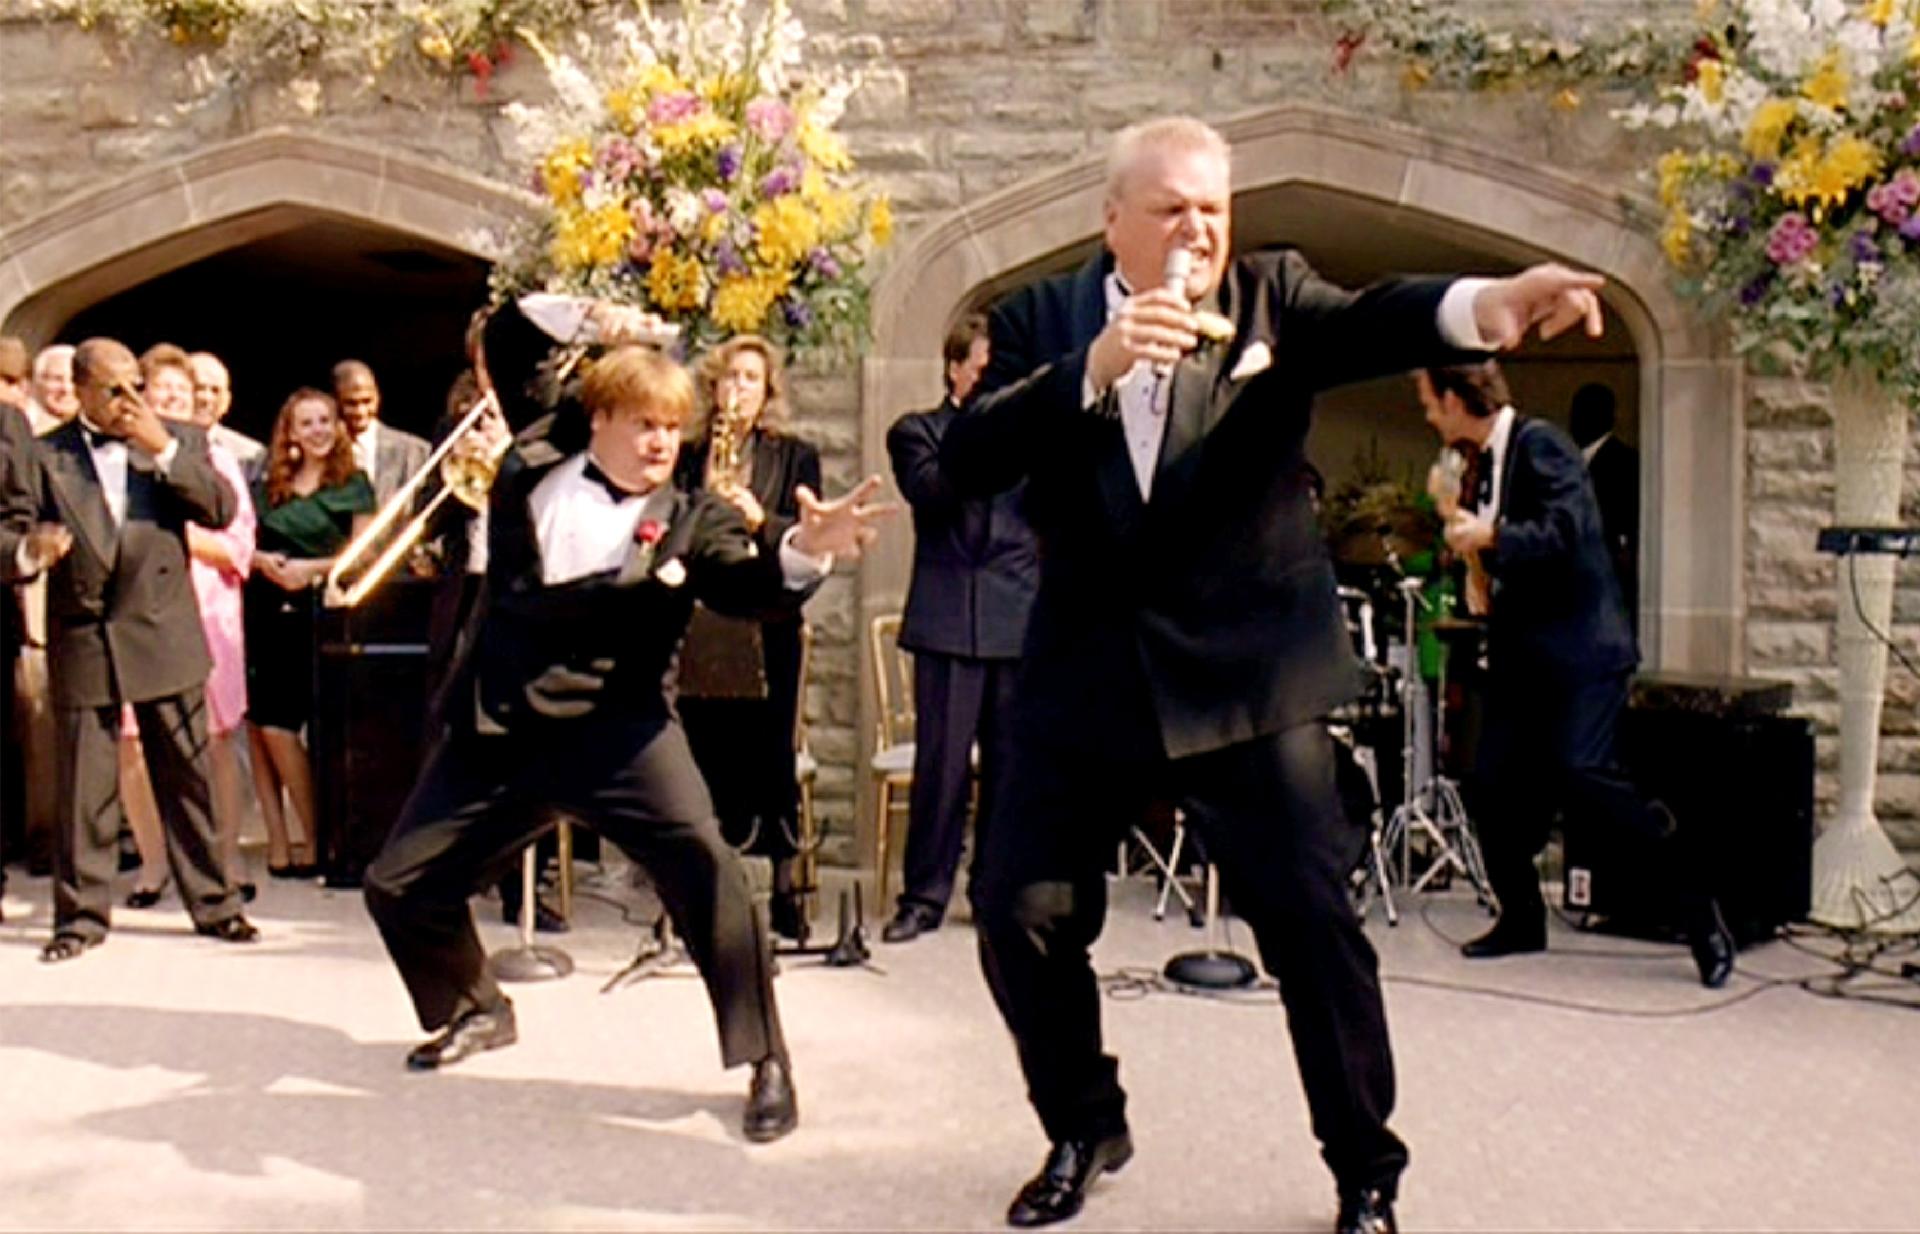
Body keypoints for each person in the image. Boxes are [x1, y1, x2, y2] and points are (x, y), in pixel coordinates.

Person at [937, 116, 1607, 1234]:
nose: (1198, 229)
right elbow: (965, 461)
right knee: (1017, 913)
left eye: (1214, 207)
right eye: (1171, 209)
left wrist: (1482, 305)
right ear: (1114, 220)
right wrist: (1095, 371)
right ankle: (1082, 1123)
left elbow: (1377, 317)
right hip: (1085, 679)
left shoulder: (1274, 299)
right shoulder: (1038, 321)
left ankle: (1365, 1169)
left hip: (1249, 676)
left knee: (1310, 926)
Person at [362, 322, 890, 1145]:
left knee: (715, 878)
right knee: (398, 885)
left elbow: (750, 584)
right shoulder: (526, 473)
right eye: (644, 423)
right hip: (502, 728)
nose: (659, 442)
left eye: (672, 428)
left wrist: (801, 551)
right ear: (599, 418)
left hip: (623, 733)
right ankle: (476, 1005)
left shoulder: (694, 515)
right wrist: (615, 330)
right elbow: (509, 341)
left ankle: (766, 1058)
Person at [1418, 361, 1734, 989]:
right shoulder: (1482, 465)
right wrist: (1472, 555)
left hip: (1582, 654)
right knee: (1490, 785)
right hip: (1524, 657)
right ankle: (1522, 918)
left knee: (1585, 778)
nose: (1426, 415)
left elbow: (1568, 531)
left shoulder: (1543, 447)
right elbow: (1500, 563)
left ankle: (1701, 914)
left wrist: (1490, 533)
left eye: (1429, 402)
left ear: (1455, 399)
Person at [0, 336, 257, 961]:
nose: (127, 400)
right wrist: (32, 552)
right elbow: (10, 527)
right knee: (84, 786)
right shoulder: (42, 453)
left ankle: (216, 905)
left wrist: (161, 446)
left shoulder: (177, 439)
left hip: (162, 626)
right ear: (82, 392)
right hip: (86, 632)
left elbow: (220, 508)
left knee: (187, 778)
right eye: (112, 390)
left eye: (134, 386)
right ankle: (80, 917)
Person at [880, 313, 1037, 943]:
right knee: (941, 768)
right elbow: (933, 493)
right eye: (983, 365)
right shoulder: (916, 431)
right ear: (954, 368)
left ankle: (994, 892)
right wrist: (987, 431)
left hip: (1020, 616)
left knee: (1010, 767)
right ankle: (923, 895)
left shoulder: (1034, 435)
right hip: (948, 616)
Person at [675, 335, 821, 940]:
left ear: (767, 394)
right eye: (729, 377)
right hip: (700, 626)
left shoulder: (794, 454)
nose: (737, 389)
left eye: (750, 380)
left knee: (772, 756)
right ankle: (703, 897)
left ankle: (786, 891)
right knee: (703, 757)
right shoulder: (688, 455)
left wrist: (762, 520)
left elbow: (810, 531)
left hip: (767, 623)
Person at [120, 344, 255, 908]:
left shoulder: (215, 459)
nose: (174, 399)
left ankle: (222, 857)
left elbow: (237, 542)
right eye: (164, 391)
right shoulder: (119, 458)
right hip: (134, 617)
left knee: (213, 742)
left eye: (183, 392)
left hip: (206, 616)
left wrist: (176, 539)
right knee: (132, 745)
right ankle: (154, 864)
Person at [245, 388, 376, 879]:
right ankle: (278, 843)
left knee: (283, 727)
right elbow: (244, 541)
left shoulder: (353, 483)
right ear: (291, 433)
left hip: (318, 612)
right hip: (262, 610)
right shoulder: (269, 486)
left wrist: (310, 570)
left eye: (326, 420)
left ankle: (319, 835)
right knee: (259, 725)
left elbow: (364, 554)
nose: (319, 430)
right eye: (308, 423)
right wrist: (261, 561)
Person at [1568, 382, 1639, 622]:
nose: (1574, 421)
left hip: (1610, 570)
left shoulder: (1623, 461)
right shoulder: (1573, 463)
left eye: (1582, 412)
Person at [333, 359, 430, 506]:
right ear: (335, 401)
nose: (361, 412)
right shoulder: (318, 453)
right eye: (351, 403)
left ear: (378, 397)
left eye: (367, 401)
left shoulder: (416, 451)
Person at [191, 351, 267, 486]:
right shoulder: (158, 444)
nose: (206, 398)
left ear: (227, 401)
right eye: (198, 388)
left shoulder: (251, 456)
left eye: (215, 390)